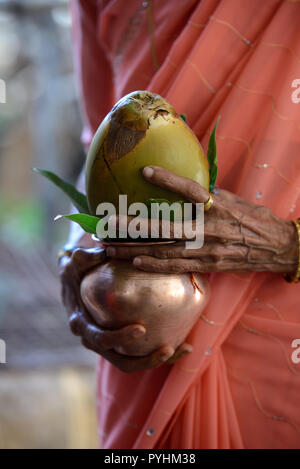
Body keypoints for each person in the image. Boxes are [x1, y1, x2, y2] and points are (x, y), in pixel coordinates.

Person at [59, 0, 300, 448]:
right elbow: (99, 142)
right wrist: (75, 252)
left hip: (282, 345)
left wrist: (289, 244)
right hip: (141, 342)